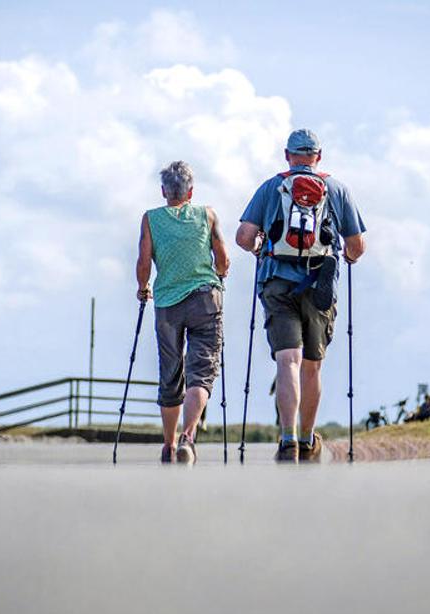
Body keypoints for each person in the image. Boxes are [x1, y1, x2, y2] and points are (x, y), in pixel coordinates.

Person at [236, 129, 366, 461]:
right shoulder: (336, 189)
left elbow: (243, 236)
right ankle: (308, 439)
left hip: (277, 282)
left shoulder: (271, 187)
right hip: (320, 286)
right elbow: (356, 246)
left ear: (287, 155)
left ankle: (287, 438)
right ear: (318, 156)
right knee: (311, 366)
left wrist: (258, 250)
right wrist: (347, 258)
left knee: (287, 360)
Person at [136, 161, 229, 463]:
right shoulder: (207, 215)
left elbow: (144, 260)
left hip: (167, 304)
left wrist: (142, 288)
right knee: (200, 373)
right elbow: (223, 257)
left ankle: (168, 444)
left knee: (171, 374)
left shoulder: (150, 219)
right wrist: (220, 273)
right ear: (191, 191)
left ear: (164, 191)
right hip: (205, 299)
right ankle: (188, 436)